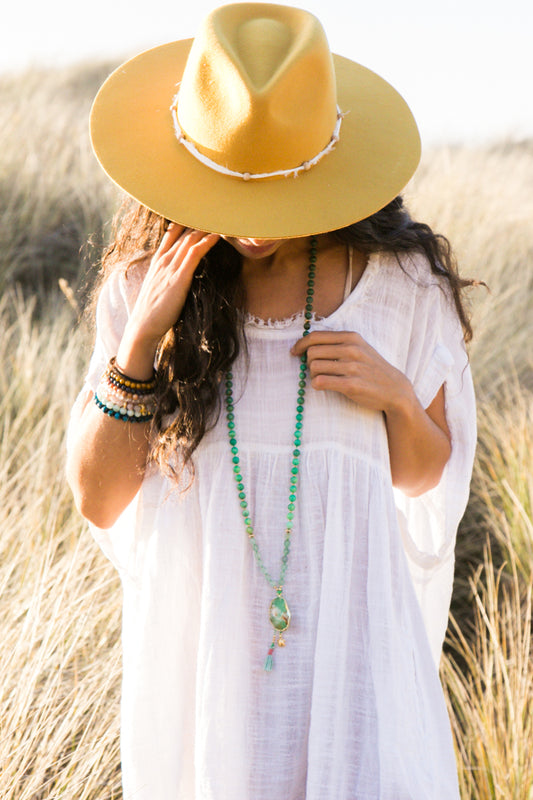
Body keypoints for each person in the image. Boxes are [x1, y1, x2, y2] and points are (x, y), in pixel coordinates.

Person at [66, 4, 477, 798]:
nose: (253, 224)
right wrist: (141, 342)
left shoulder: (400, 288)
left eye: (277, 180)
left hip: (355, 667)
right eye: (232, 180)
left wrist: (394, 395)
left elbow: (426, 478)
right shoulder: (144, 288)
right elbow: (98, 495)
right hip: (207, 679)